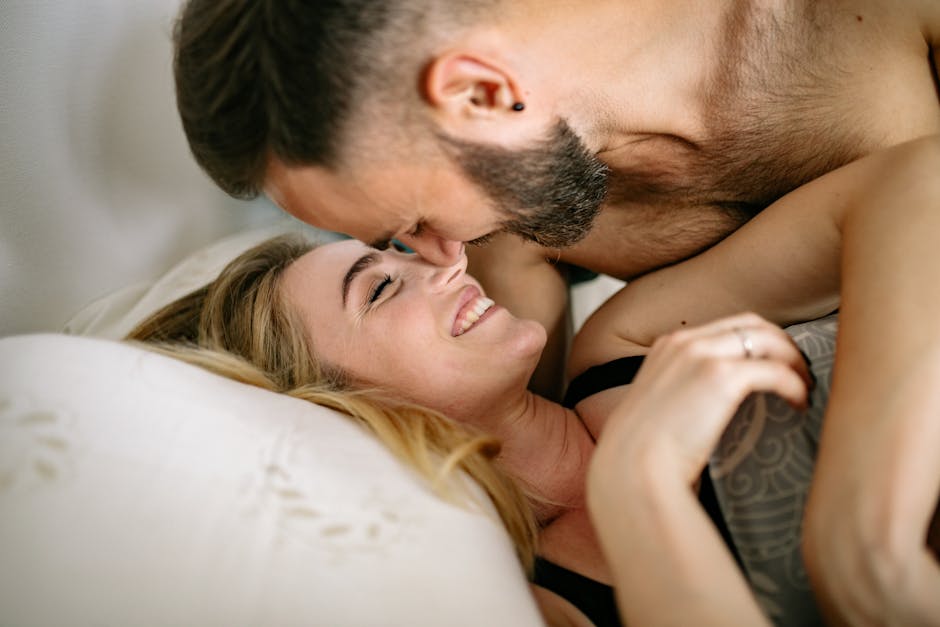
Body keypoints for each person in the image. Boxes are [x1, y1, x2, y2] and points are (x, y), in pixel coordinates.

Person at [170, 2, 939, 622]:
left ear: (478, 93)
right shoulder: (525, 238)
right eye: (390, 250)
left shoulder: (866, 23)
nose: (444, 256)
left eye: (409, 222)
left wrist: (860, 539)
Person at [126, 232, 814, 627]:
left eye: (402, 251)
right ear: (342, 412)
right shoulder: (545, 609)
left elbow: (916, 187)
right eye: (382, 287)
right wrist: (641, 478)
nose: (447, 264)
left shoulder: (624, 338)